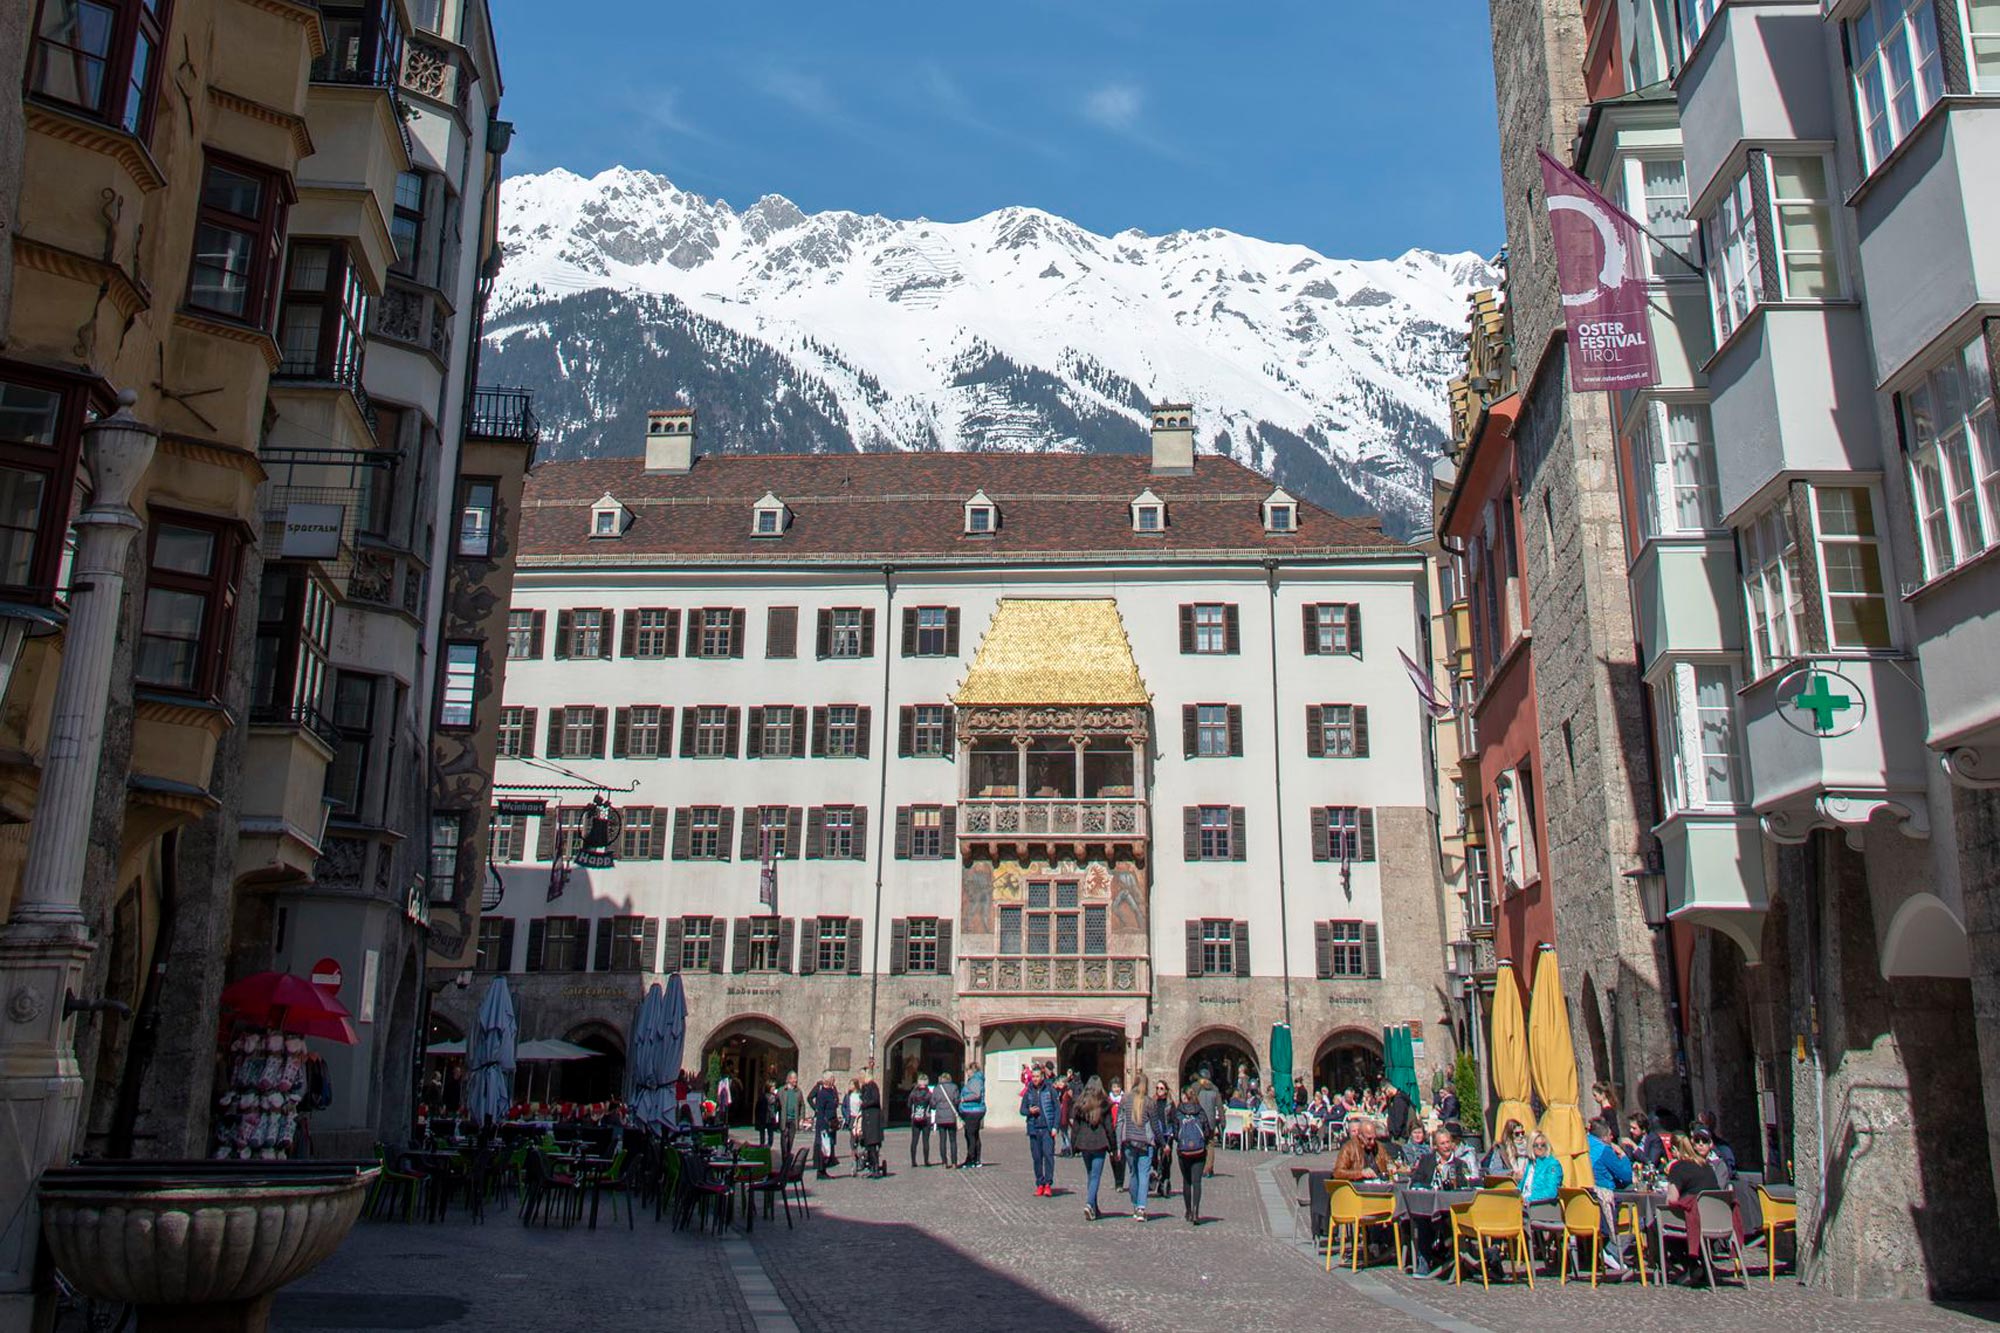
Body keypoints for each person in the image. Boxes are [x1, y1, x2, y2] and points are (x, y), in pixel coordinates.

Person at [1071, 1078, 1115, 1220]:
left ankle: (1094, 1208)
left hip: (1084, 1143)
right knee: (1095, 1176)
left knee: (1091, 1175)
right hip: (1099, 1143)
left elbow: (1075, 1128)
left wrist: (1073, 1145)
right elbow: (1109, 1128)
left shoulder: (1080, 1103)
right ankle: (1090, 1204)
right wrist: (1113, 1147)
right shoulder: (1104, 1104)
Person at [1171, 1084, 1214, 1224]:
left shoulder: (1179, 1111)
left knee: (1187, 1181)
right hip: (1199, 1152)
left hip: (1184, 1152)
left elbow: (1175, 1132)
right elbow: (1207, 1130)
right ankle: (1196, 1212)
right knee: (1197, 1182)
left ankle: (1188, 1211)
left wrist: (1183, 1141)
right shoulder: (1200, 1111)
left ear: (1184, 1096)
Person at [1119, 1079, 1155, 1221]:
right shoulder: (1148, 1102)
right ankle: (1141, 1208)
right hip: (1144, 1142)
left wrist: (1117, 1143)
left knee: (1133, 1173)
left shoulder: (1125, 1100)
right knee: (1144, 1174)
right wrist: (1162, 1142)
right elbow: (1154, 1124)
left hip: (1128, 1141)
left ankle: (1135, 1205)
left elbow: (1119, 1122)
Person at [1021, 1066, 1060, 1195]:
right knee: (1037, 1158)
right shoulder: (1029, 1092)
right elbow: (1022, 1110)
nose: (1036, 1079)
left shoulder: (1050, 1090)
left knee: (1048, 1157)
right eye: (1034, 1077)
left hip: (1047, 1129)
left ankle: (1048, 1184)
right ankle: (1040, 1183)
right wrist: (1029, 1111)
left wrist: (1055, 1127)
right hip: (1033, 1129)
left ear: (1042, 1077)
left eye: (1038, 1076)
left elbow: (1057, 1109)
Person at [1332, 1117, 1394, 1181]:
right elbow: (1337, 1172)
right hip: (1358, 1186)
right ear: (1360, 1136)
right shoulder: (1349, 1148)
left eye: (1374, 1138)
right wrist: (1361, 1173)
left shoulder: (1379, 1146)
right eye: (1369, 1139)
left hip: (1379, 1184)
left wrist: (1391, 1166)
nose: (1372, 1142)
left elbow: (1389, 1161)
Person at [1148, 1078, 1175, 1199]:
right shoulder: (1152, 1102)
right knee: (1154, 1157)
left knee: (1166, 1159)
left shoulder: (1170, 1103)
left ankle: (1165, 1180)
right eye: (1157, 1088)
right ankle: (1155, 1175)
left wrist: (1173, 1132)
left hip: (1167, 1133)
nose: (1159, 1090)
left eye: (1161, 1088)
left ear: (1166, 1090)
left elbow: (1174, 1119)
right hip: (1155, 1134)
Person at [810, 1074, 841, 1178]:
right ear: (828, 1080)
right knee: (823, 1146)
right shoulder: (822, 1093)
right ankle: (820, 1170)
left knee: (829, 1146)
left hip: (832, 1122)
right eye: (832, 1079)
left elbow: (835, 1103)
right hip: (824, 1123)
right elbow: (820, 1110)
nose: (834, 1080)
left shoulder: (832, 1091)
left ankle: (824, 1169)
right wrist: (824, 1124)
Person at [1522, 1131, 1563, 1205]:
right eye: (1536, 1145)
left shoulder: (1552, 1164)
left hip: (1541, 1207)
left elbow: (1551, 1192)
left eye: (1542, 1145)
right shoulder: (1530, 1164)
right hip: (1524, 1204)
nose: (1539, 1147)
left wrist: (1528, 1199)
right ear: (1531, 1147)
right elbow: (1522, 1186)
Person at [1195, 1070, 1223, 1178]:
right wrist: (1222, 1120)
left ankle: (1201, 1167)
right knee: (1210, 1145)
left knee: (1201, 1144)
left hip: (1200, 1120)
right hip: (1210, 1121)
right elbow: (1220, 1106)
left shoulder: (1197, 1088)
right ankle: (1208, 1168)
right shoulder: (1215, 1089)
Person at [958, 1064, 986, 1168]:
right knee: (974, 1134)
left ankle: (971, 1158)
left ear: (972, 1071)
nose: (967, 1073)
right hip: (973, 1110)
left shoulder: (975, 1080)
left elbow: (976, 1094)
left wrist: (964, 1099)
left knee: (970, 1134)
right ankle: (976, 1159)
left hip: (973, 1110)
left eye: (967, 1071)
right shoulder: (975, 1079)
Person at [930, 1072, 960, 1167]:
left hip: (940, 1118)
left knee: (942, 1140)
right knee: (953, 1140)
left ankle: (944, 1162)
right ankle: (954, 1162)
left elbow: (933, 1104)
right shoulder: (954, 1087)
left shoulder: (937, 1088)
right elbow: (956, 1100)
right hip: (951, 1117)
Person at [859, 1074, 885, 1178]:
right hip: (867, 1120)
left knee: (873, 1146)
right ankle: (871, 1167)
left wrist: (864, 1104)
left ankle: (875, 1168)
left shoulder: (873, 1086)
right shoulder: (865, 1087)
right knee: (869, 1146)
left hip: (872, 1121)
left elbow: (875, 1100)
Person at [908, 1074, 934, 1167]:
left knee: (914, 1140)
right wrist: (929, 1109)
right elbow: (933, 1105)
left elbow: (908, 1104)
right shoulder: (929, 1093)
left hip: (915, 1118)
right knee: (925, 1140)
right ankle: (926, 1161)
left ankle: (913, 1161)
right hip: (926, 1118)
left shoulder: (913, 1093)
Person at [779, 1071, 804, 1164]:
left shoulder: (798, 1091)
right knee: (784, 1139)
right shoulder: (782, 1090)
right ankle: (784, 1158)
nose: (795, 1080)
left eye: (796, 1078)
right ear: (789, 1079)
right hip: (784, 1119)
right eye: (794, 1078)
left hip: (793, 1119)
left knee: (790, 1139)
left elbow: (802, 1105)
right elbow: (777, 1104)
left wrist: (801, 1118)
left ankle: (787, 1158)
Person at [756, 1080, 780, 1149]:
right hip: (763, 1117)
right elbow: (758, 1108)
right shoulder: (763, 1097)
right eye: (772, 1087)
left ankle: (769, 1145)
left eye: (774, 1087)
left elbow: (776, 1107)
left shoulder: (775, 1097)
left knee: (770, 1133)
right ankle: (762, 1144)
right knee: (762, 1132)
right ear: (768, 1087)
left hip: (771, 1117)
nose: (774, 1088)